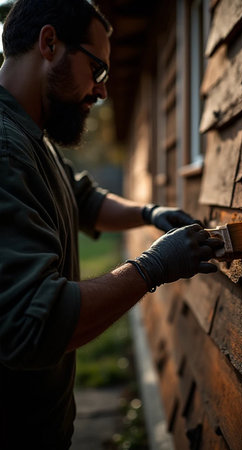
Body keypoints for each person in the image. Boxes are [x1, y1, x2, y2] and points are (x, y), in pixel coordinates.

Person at [0, 0, 222, 447]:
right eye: (97, 69)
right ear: (49, 43)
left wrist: (148, 213)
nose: (101, 91)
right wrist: (151, 269)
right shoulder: (5, 149)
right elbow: (32, 322)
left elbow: (82, 198)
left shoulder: (29, 137)